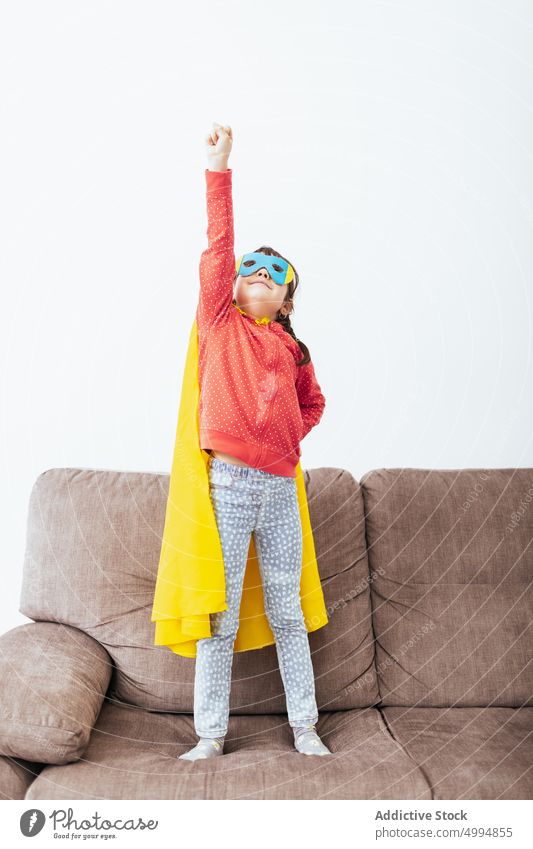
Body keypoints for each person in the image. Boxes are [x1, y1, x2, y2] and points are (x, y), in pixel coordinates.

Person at [179, 123, 331, 760]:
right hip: (229, 486)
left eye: (275, 275)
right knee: (219, 616)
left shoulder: (292, 348)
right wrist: (219, 168)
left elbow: (314, 404)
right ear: (234, 286)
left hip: (279, 490)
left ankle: (305, 727)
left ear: (288, 296)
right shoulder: (220, 322)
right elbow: (218, 248)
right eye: (251, 271)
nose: (259, 277)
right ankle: (210, 736)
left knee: (287, 611)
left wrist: (286, 439)